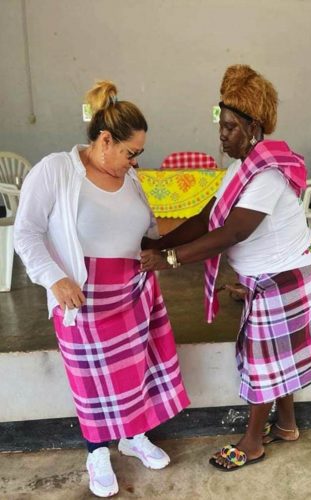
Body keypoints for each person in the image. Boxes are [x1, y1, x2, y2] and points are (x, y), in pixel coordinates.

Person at [140, 65, 311, 472]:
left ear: (254, 126)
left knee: (263, 363)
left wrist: (169, 261)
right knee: (279, 358)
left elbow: (234, 231)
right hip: (274, 277)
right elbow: (207, 217)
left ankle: (253, 442)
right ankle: (286, 425)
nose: (222, 134)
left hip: (289, 278)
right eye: (221, 124)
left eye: (232, 127)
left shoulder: (267, 174)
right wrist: (159, 242)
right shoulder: (242, 168)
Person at [14, 80, 190, 497]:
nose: (133, 162)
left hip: (131, 294)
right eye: (130, 153)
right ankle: (97, 452)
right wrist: (53, 278)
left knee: (135, 374)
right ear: (105, 140)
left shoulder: (131, 180)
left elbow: (148, 232)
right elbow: (27, 233)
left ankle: (132, 437)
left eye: (138, 155)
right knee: (90, 383)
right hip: (82, 298)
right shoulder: (56, 170)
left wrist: (192, 234)